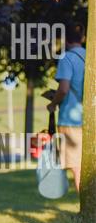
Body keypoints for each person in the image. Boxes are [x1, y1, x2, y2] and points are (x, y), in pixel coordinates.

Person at [47, 22, 85, 191]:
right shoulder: (90, 56)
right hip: (90, 117)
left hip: (71, 119)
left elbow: (63, 89)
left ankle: (86, 205)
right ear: (82, 38)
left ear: (66, 40)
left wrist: (53, 104)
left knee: (77, 166)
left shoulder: (67, 58)